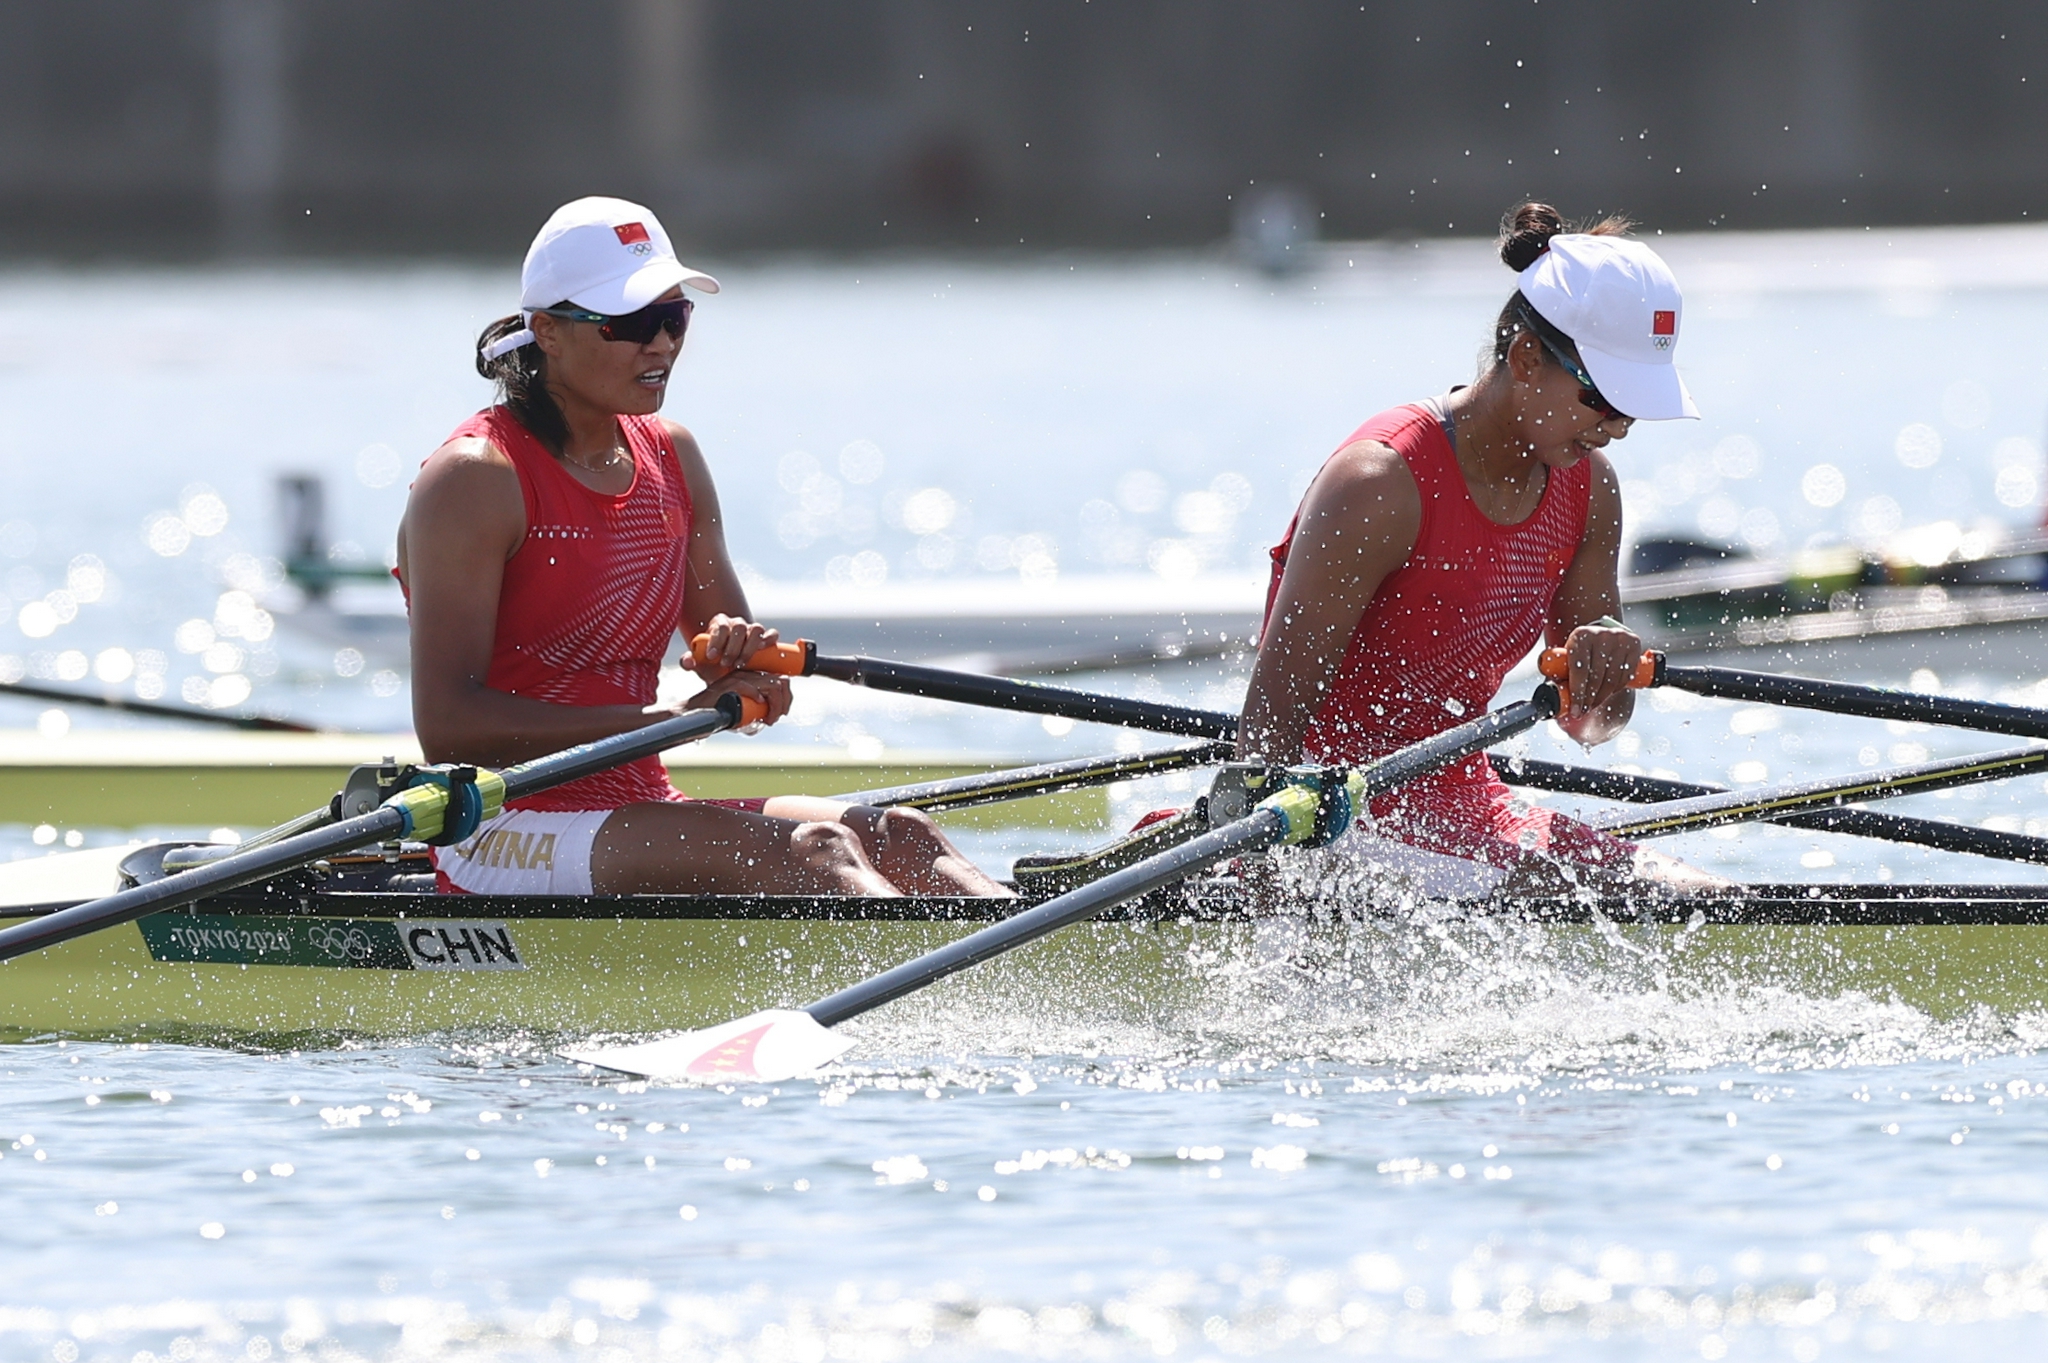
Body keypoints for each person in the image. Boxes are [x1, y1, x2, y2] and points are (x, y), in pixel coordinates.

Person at [395, 196, 1006, 899]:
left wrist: (737, 660)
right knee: (820, 850)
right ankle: (957, 1000)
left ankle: (1039, 975)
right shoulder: (477, 477)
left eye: (673, 315)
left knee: (903, 834)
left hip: (638, 798)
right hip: (505, 822)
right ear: (548, 332)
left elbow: (735, 664)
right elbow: (449, 728)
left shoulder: (672, 457)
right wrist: (672, 719)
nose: (660, 344)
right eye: (630, 322)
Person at [1236, 202, 1720, 894]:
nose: (1618, 429)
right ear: (1527, 359)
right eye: (1604, 400)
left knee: (1707, 899)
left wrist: (1606, 661)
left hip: (1463, 807)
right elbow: (1268, 731)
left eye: (1633, 409)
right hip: (1330, 814)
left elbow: (1591, 726)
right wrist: (1265, 890)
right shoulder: (1379, 484)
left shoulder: (1589, 493)